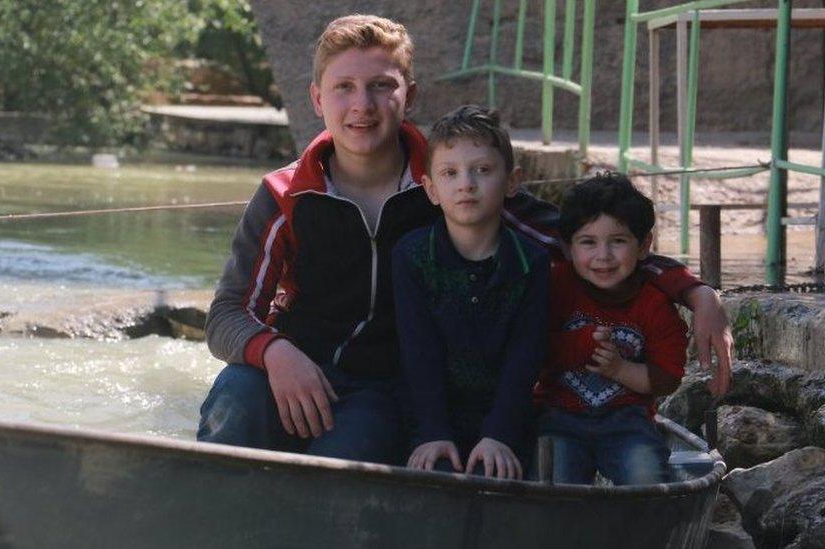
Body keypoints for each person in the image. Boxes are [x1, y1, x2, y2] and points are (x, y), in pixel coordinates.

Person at [197, 13, 732, 465]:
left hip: (383, 388)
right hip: (293, 366)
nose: (363, 103)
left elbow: (583, 242)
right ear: (318, 99)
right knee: (234, 400)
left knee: (339, 469)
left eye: (382, 85)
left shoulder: (451, 182)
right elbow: (226, 313)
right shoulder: (285, 193)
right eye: (344, 87)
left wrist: (692, 290)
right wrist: (275, 351)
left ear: (409, 95)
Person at [393, 105, 547, 478]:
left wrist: (499, 434)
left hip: (506, 422)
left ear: (512, 182)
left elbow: (525, 357)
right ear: (430, 189)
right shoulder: (411, 256)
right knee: (434, 480)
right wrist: (432, 431)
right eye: (450, 173)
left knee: (494, 481)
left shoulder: (531, 261)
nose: (466, 183)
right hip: (430, 419)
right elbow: (418, 351)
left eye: (482, 170)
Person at [534, 173, 687, 485]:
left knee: (646, 478)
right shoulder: (554, 288)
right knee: (550, 482)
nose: (603, 256)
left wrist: (619, 369)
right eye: (588, 242)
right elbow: (532, 349)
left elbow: (667, 376)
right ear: (568, 247)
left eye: (618, 241)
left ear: (644, 245)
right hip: (557, 415)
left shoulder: (654, 303)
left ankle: (641, 531)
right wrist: (580, 345)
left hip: (627, 420)